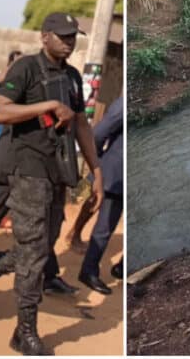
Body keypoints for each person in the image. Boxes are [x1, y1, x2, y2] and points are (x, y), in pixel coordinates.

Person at [0, 12, 104, 355]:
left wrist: (96, 170)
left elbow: (82, 125)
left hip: (58, 169)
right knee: (33, 249)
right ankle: (24, 331)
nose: (69, 42)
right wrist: (49, 105)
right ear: (44, 37)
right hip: (27, 168)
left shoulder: (72, 77)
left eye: (72, 36)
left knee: (41, 247)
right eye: (62, 36)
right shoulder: (25, 68)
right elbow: (1, 112)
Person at [78, 96, 123, 295]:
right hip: (116, 172)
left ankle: (122, 267)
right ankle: (88, 271)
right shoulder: (124, 103)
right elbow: (98, 133)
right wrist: (98, 162)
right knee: (105, 227)